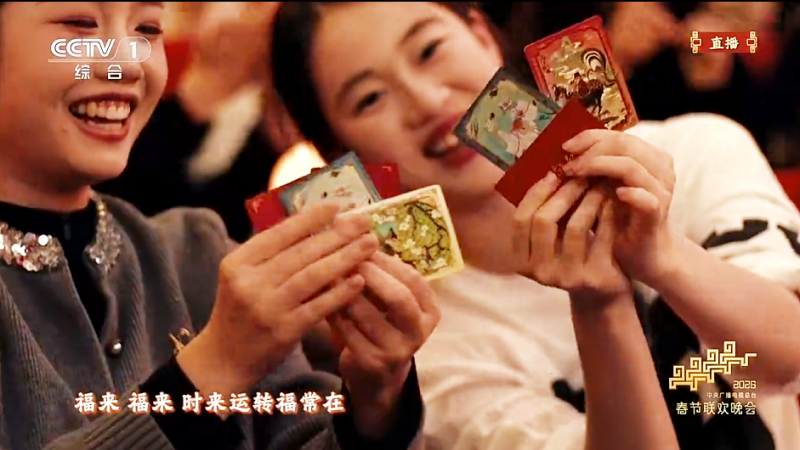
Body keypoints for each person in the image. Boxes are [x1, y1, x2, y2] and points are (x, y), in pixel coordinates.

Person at [269, 2, 800, 450]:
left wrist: (663, 255)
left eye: (429, 49)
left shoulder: (696, 151)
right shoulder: (424, 341)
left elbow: (787, 361)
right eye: (369, 98)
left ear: (481, 34)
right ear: (341, 155)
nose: (427, 102)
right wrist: (600, 307)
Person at [0, 2, 437, 449]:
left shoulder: (198, 251)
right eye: (79, 25)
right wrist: (216, 365)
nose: (128, 64)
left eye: (147, 29)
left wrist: (377, 402)